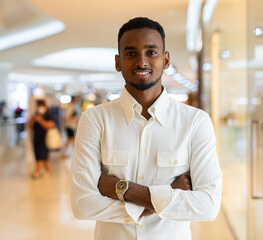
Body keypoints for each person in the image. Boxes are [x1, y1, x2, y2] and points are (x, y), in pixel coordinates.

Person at [70, 17, 222, 240]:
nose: (142, 62)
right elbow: (82, 205)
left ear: (166, 59)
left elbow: (208, 206)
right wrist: (168, 194)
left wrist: (122, 189)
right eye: (131, 53)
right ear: (118, 62)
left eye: (151, 52)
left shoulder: (195, 122)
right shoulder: (95, 119)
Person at [29, 100, 55, 178]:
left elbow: (50, 125)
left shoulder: (48, 115)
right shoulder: (35, 115)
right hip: (36, 139)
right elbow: (30, 126)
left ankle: (37, 171)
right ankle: (47, 171)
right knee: (42, 157)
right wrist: (33, 120)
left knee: (42, 156)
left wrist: (40, 120)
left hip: (45, 139)